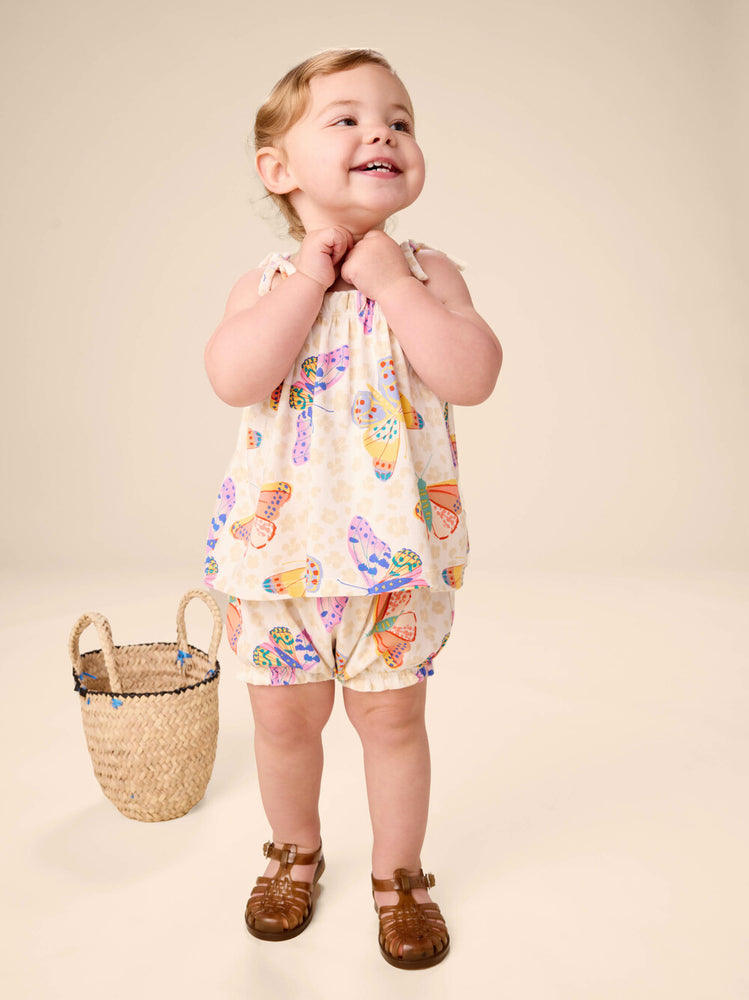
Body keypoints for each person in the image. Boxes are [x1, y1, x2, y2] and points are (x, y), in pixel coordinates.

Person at [203, 47, 502, 970]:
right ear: (278, 169)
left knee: (393, 725)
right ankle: (293, 854)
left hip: (396, 561)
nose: (383, 132)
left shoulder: (428, 272)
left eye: (399, 121)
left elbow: (472, 375)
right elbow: (234, 377)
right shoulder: (266, 284)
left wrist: (394, 286)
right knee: (283, 725)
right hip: (278, 563)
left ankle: (399, 876)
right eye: (347, 118)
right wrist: (309, 279)